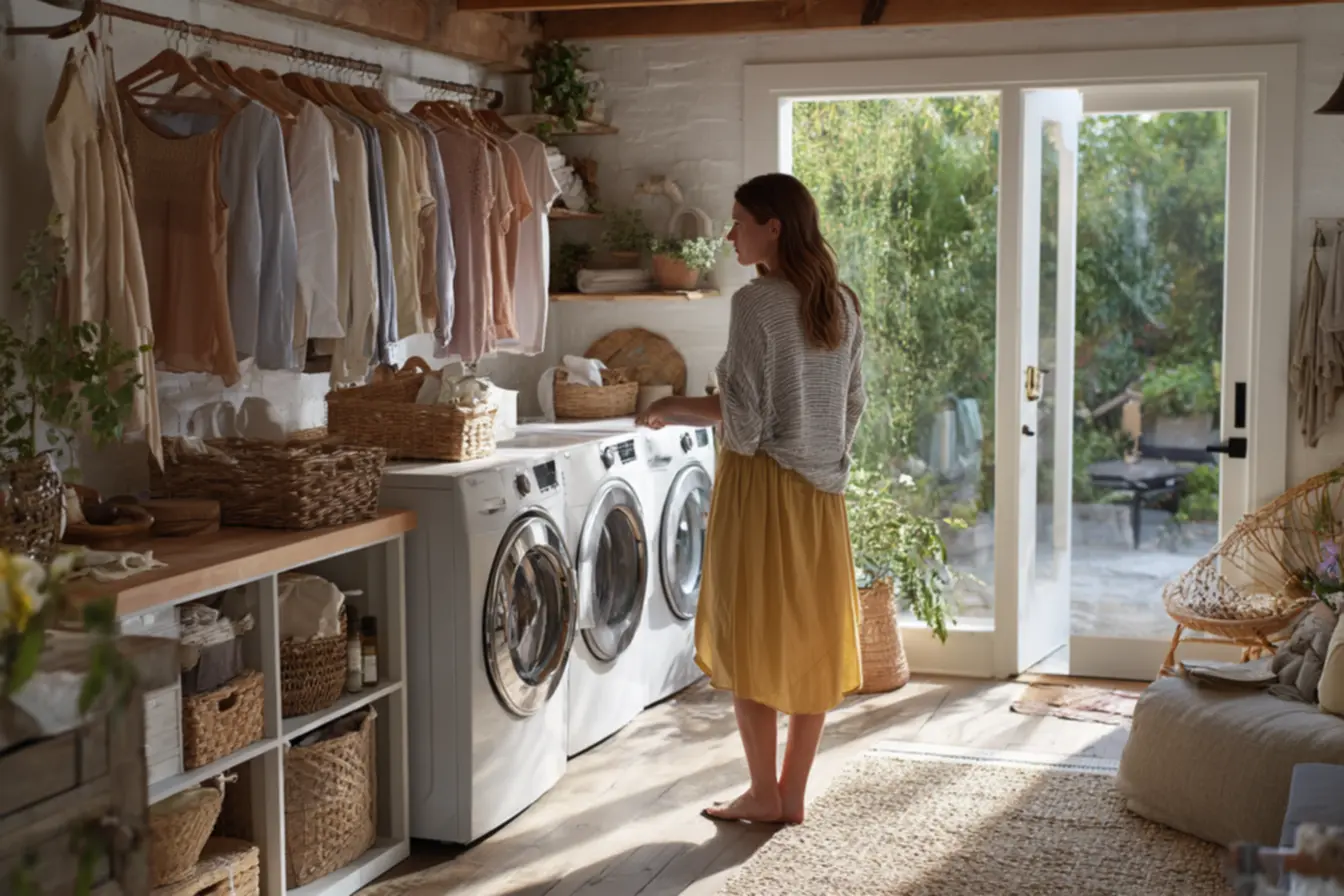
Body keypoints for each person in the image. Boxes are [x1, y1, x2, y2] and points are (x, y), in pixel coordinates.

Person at [635, 172, 866, 825]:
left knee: (752, 641)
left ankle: (765, 794)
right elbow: (853, 404)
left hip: (760, 489)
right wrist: (824, 453)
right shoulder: (842, 304)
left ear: (775, 227)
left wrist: (671, 405)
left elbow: (745, 422)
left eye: (739, 221)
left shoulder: (757, 303)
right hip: (821, 496)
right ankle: (790, 795)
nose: (728, 233)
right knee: (811, 638)